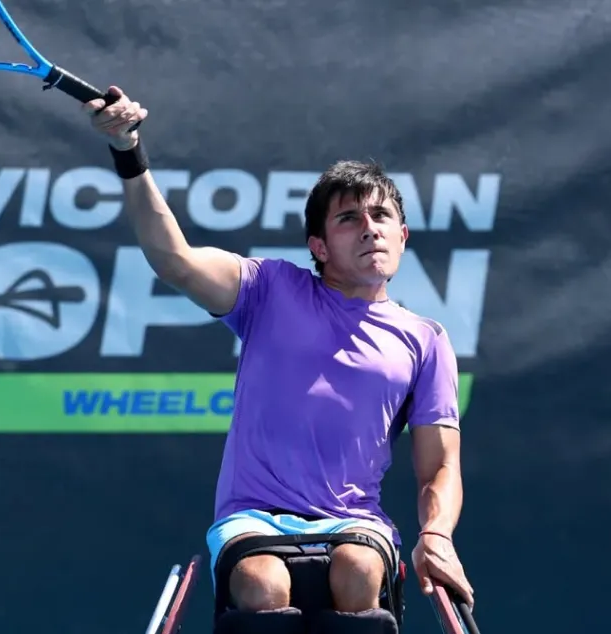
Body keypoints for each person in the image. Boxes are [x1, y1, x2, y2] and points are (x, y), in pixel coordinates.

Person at [83, 87, 475, 616]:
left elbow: (440, 467)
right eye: (348, 219)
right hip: (254, 516)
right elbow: (174, 259)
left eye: (381, 218)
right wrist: (128, 151)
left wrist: (437, 536)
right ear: (318, 246)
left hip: (355, 522)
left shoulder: (426, 340)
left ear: (402, 237)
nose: (369, 229)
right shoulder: (268, 288)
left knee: (358, 574)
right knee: (261, 585)